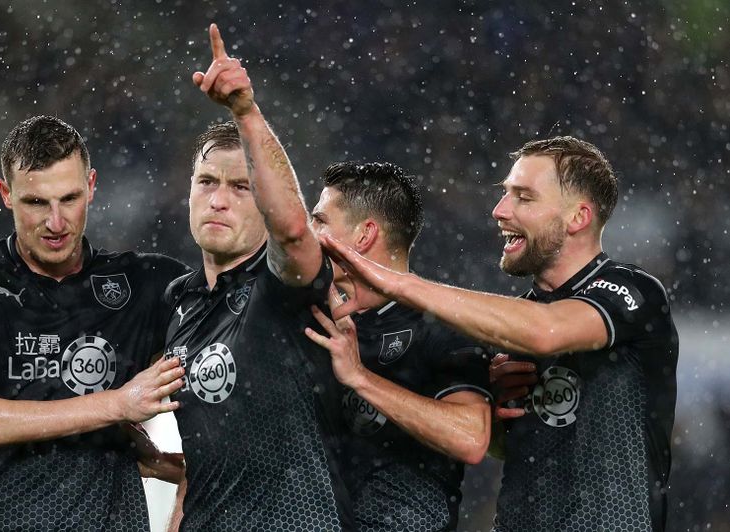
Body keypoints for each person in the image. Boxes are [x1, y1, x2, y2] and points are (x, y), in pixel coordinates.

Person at [320, 136, 679, 530]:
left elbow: (547, 331)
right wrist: (495, 415)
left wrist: (399, 284)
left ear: (578, 217)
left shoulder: (630, 290)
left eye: (523, 198)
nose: (499, 211)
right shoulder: (512, 324)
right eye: (505, 194)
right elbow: (503, 446)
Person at [0, 115, 189, 530]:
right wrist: (115, 404)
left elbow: (243, 338)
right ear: (5, 194)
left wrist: (189, 470)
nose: (56, 223)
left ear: (92, 186)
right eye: (36, 202)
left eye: (70, 198)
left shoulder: (148, 286)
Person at [162, 25, 353, 530]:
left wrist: (246, 113)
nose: (218, 199)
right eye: (206, 182)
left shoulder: (282, 286)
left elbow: (292, 232)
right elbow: (207, 459)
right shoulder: (179, 302)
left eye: (241, 187)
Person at [303, 161, 492, 530]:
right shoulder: (314, 319)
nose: (308, 234)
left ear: (364, 235)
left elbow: (471, 438)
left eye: (320, 221)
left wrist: (360, 378)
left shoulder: (441, 324)